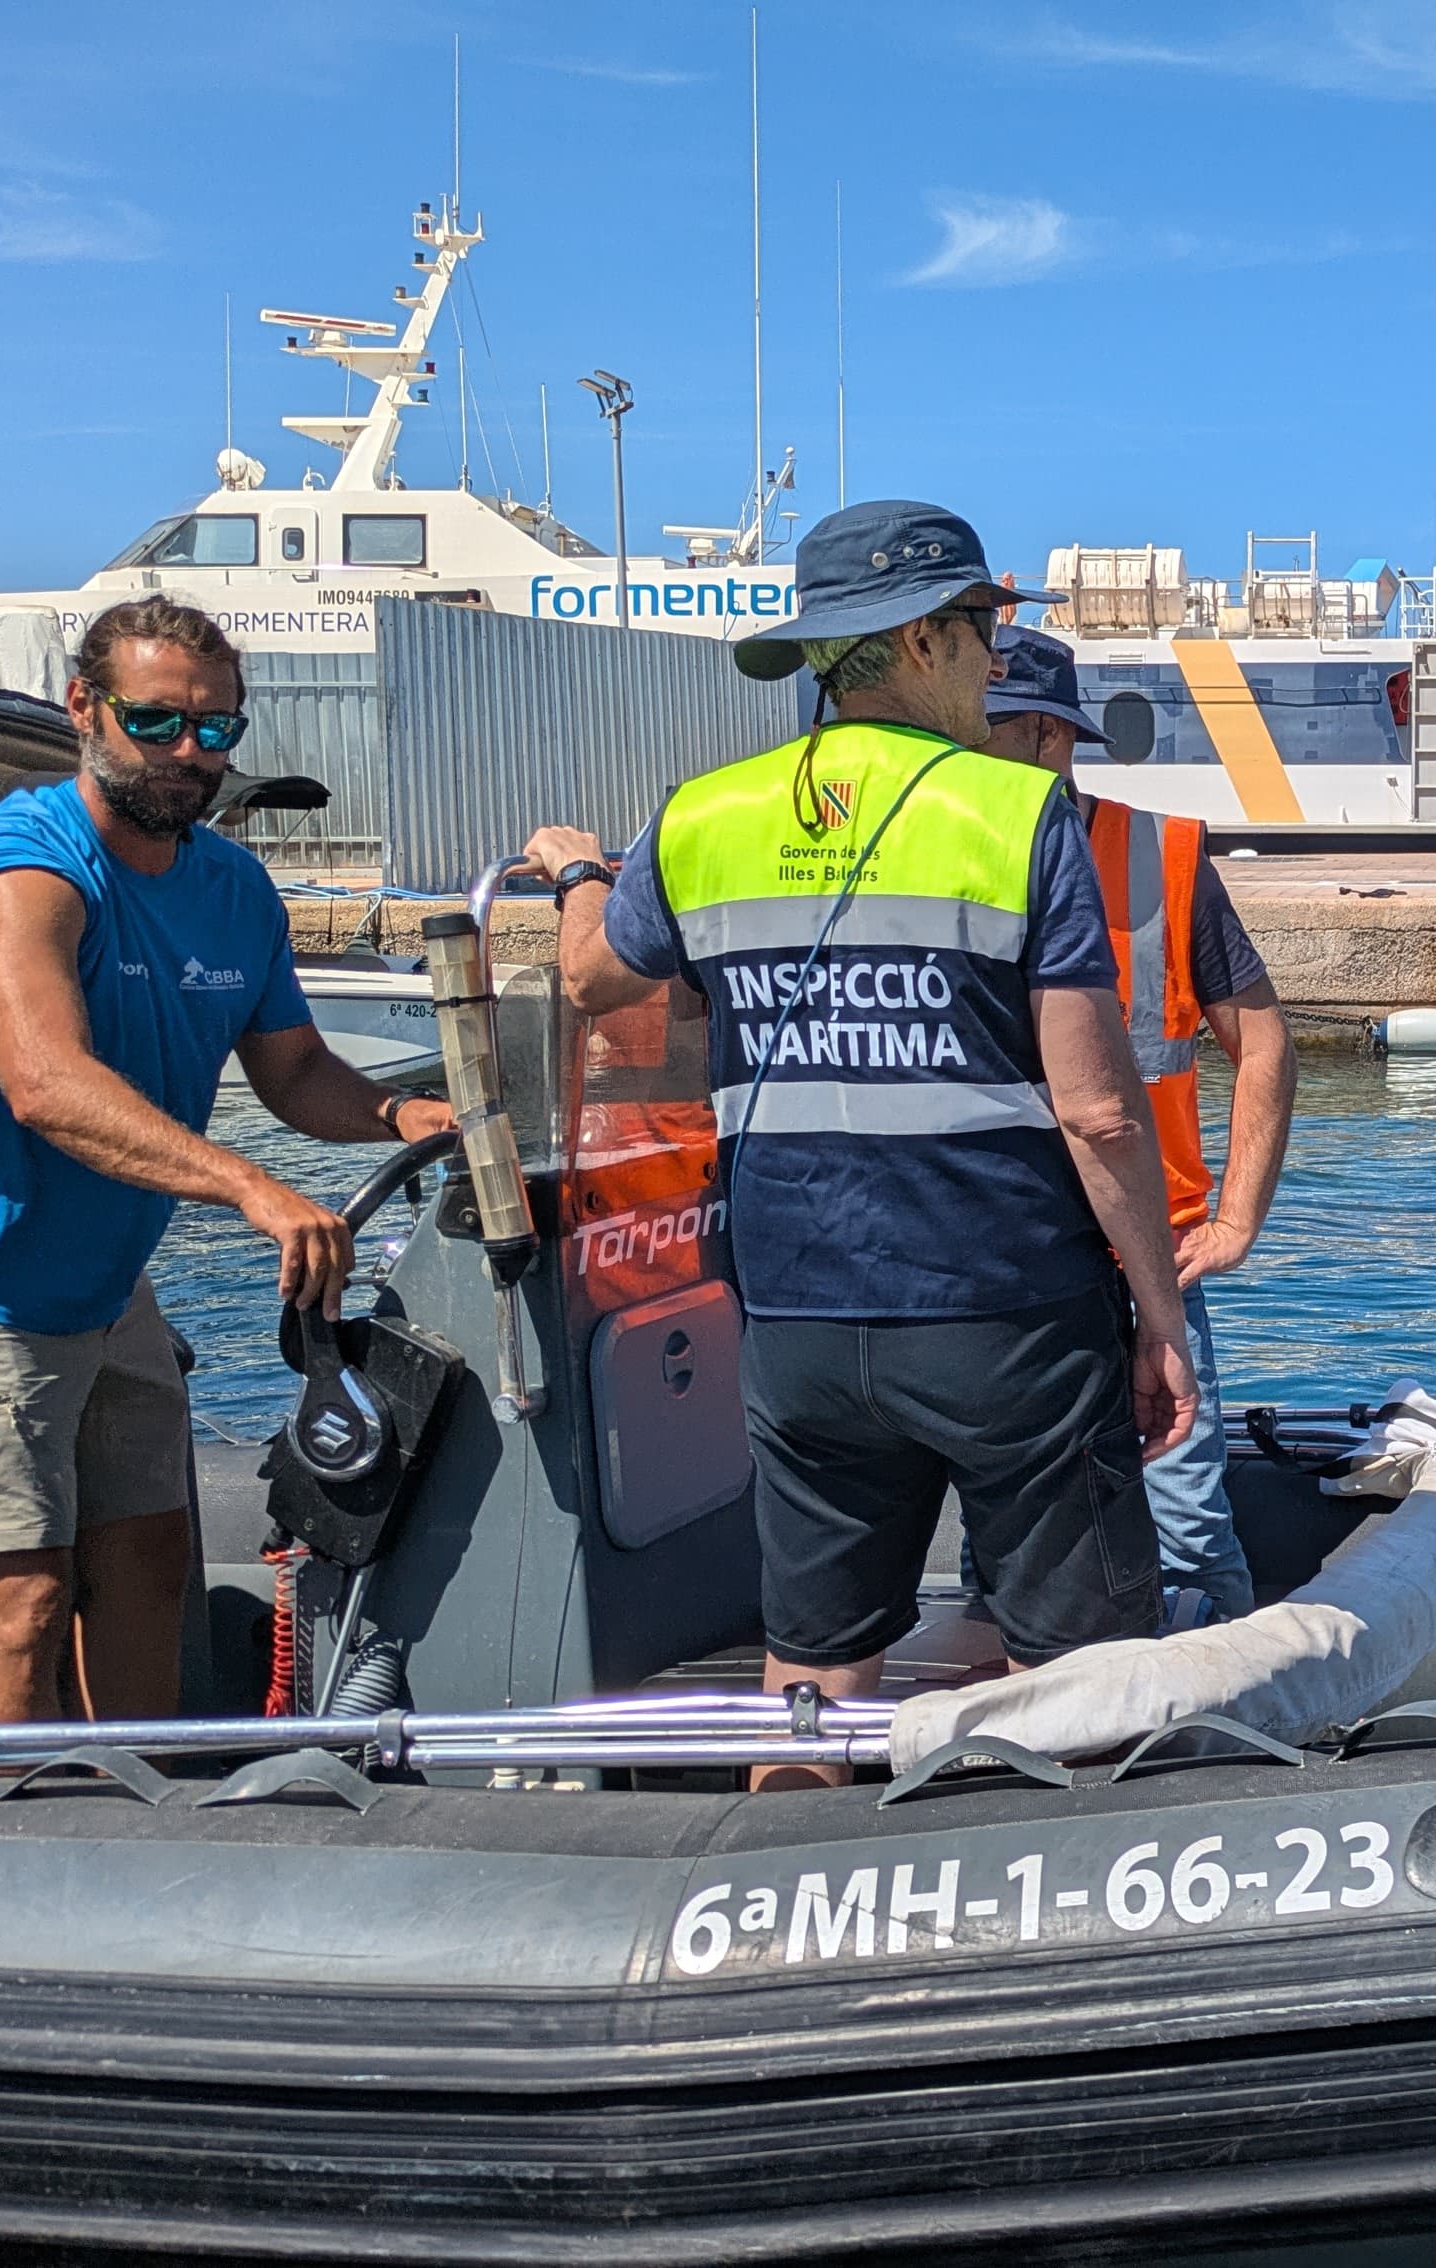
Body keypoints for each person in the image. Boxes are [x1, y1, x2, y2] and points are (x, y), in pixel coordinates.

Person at [517, 500, 1195, 1723]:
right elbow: (1098, 1114)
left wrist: (578, 871)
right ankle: (1057, 1894)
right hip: (1008, 1317)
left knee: (813, 1677)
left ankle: (779, 1880)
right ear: (927, 639)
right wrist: (1158, 1316)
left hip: (796, 1321)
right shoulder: (1022, 818)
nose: (999, 657)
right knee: (1080, 1686)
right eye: (988, 626)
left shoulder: (700, 817)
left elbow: (590, 980)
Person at [0, 595, 451, 1726]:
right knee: (17, 1601)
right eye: (158, 721)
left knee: (151, 1566)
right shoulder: (23, 869)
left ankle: (137, 1811)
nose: (189, 754)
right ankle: (8, 1859)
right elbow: (44, 1083)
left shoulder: (232, 889)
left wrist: (411, 1119)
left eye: (216, 730)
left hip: (103, 1283)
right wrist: (252, 1187)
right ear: (84, 707)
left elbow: (297, 1071)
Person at [978, 624, 1296, 1622]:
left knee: (1188, 1530)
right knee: (1019, 1541)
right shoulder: (942, 851)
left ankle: (1230, 1744)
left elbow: (1266, 1046)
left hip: (1142, 1264)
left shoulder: (1158, 854)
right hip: (993, 1269)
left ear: (1043, 735)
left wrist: (1237, 1221)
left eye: (975, 731)